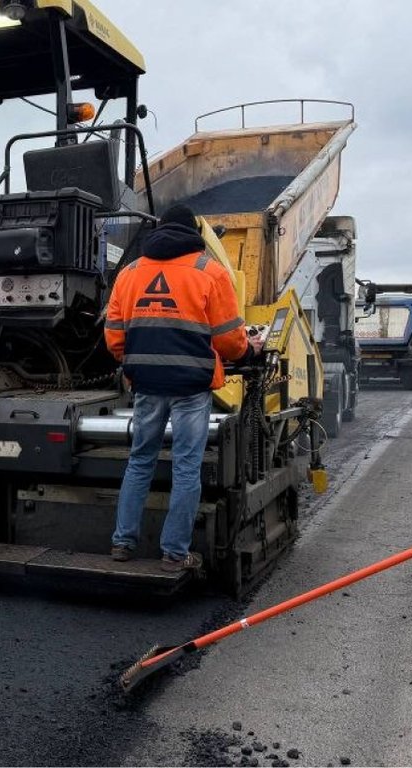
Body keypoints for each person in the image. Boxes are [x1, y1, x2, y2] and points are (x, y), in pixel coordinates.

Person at [105, 205, 259, 573]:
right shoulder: (210, 271)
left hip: (147, 384)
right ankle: (174, 553)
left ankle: (122, 543)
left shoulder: (129, 273)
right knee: (186, 467)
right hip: (191, 387)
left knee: (140, 461)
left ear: (158, 231)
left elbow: (113, 335)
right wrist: (247, 348)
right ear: (195, 234)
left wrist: (133, 365)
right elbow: (229, 342)